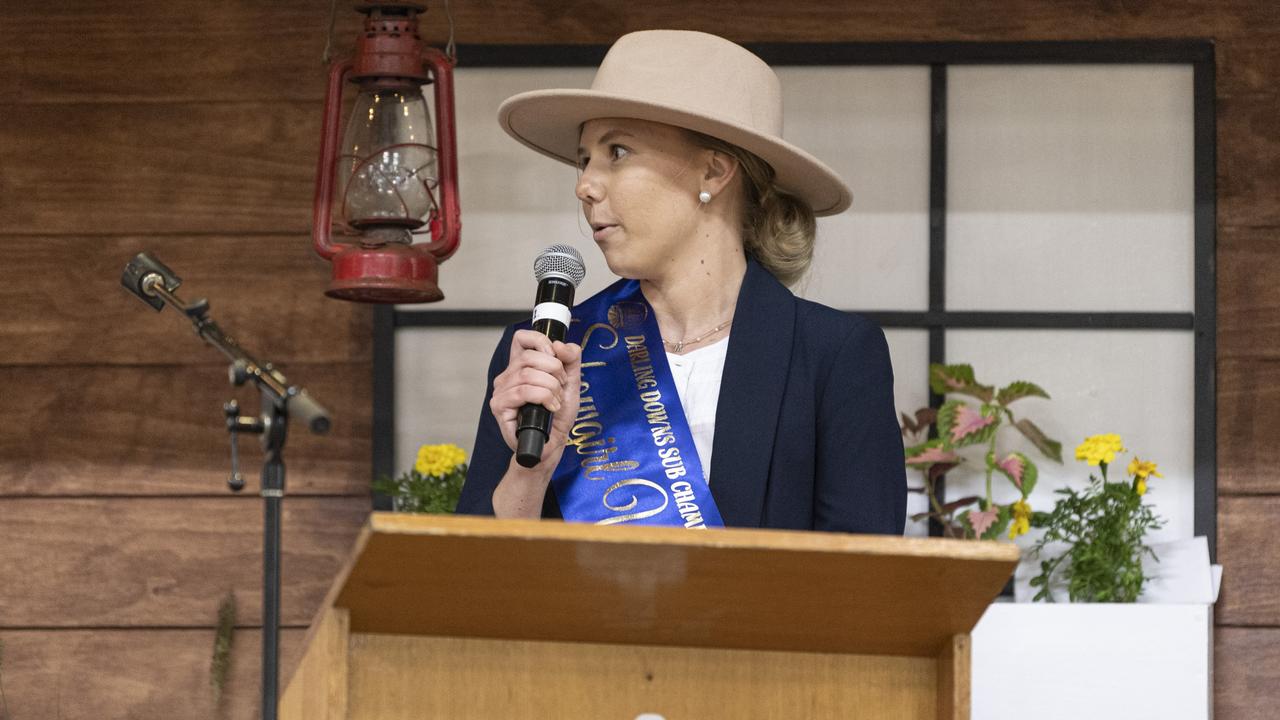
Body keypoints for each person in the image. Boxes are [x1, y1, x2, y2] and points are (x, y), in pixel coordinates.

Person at [455, 29, 906, 533]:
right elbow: (476, 576)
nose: (584, 185)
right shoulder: (548, 353)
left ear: (713, 172)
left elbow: (866, 579)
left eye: (618, 152)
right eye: (585, 159)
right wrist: (530, 468)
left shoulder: (831, 355)